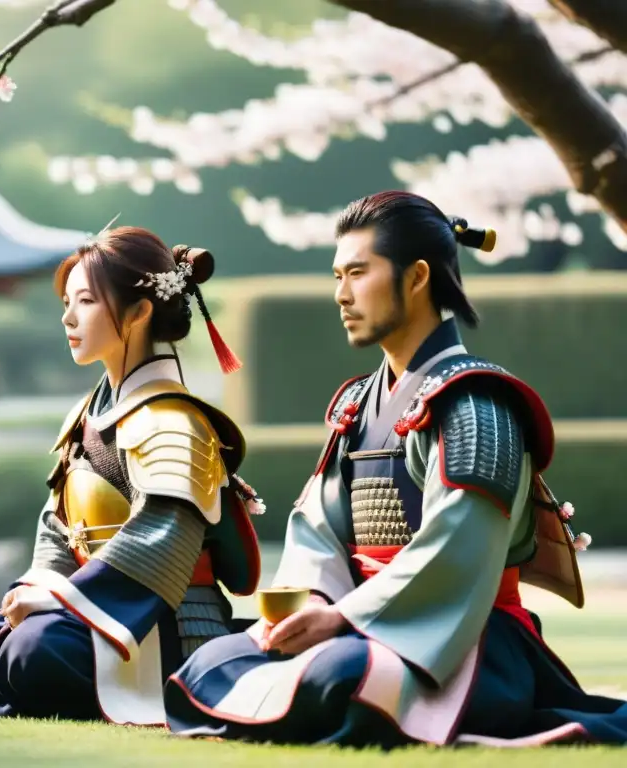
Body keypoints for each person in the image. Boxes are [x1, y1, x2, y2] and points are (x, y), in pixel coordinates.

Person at [163, 191, 627, 747]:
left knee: (338, 675)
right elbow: (319, 528)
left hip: (466, 639)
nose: (341, 294)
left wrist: (344, 620)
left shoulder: (477, 404)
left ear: (417, 278)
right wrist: (312, 604)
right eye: (338, 275)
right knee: (214, 658)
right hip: (359, 626)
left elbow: (458, 548)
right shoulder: (358, 403)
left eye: (358, 273)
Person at [0, 225, 264, 724]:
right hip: (91, 611)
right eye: (67, 301)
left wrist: (57, 600)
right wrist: (36, 587)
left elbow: (161, 540)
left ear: (140, 312)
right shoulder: (88, 414)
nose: (67, 317)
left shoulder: (173, 421)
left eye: (85, 301)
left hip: (162, 626)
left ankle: (36, 674)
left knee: (32, 648)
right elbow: (58, 527)